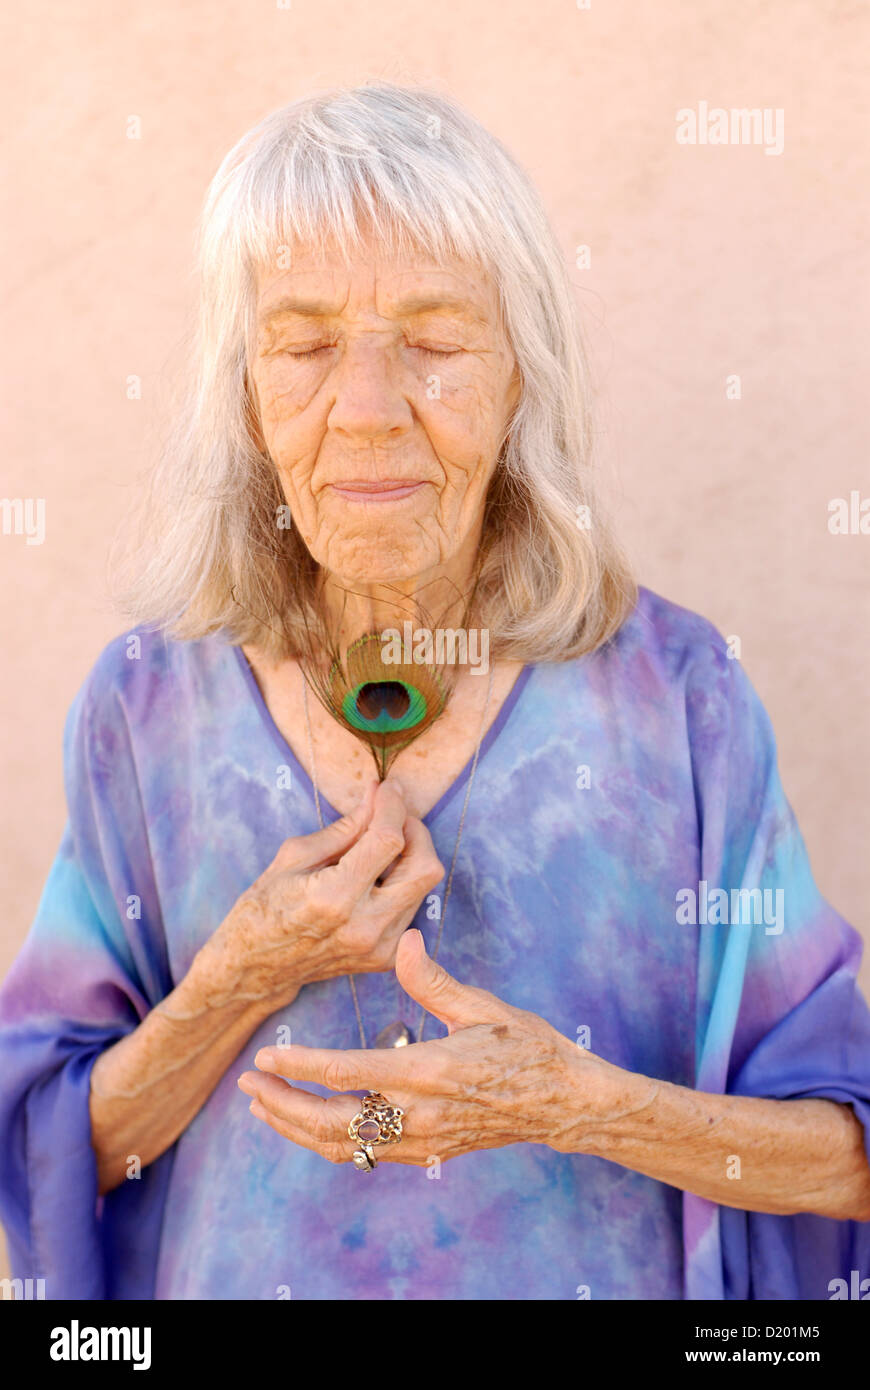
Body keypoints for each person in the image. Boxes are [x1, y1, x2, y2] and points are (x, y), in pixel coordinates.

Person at [1, 83, 868, 1301]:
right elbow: (56, 1155)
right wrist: (236, 978)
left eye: (436, 341)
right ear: (246, 397)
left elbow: (845, 1155)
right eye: (304, 346)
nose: (365, 408)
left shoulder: (679, 699)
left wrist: (581, 1106)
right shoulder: (146, 708)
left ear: (522, 379)